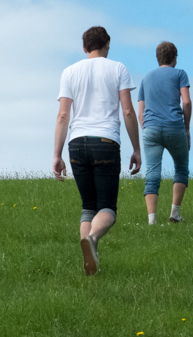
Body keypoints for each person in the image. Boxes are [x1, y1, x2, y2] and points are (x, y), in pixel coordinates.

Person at [53, 26, 141, 275]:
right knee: (108, 209)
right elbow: (127, 111)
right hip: (105, 142)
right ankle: (91, 240)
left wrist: (57, 155)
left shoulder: (69, 72)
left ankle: (90, 259)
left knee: (88, 207)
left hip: (76, 143)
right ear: (107, 45)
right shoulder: (118, 68)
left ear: (84, 47)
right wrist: (136, 148)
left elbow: (62, 115)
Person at [138, 41, 192, 225]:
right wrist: (187, 128)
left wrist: (146, 129)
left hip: (151, 128)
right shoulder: (180, 74)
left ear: (157, 58)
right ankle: (174, 214)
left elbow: (141, 111)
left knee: (152, 173)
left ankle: (152, 220)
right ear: (174, 58)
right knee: (181, 168)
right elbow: (186, 102)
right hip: (174, 127)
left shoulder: (146, 78)